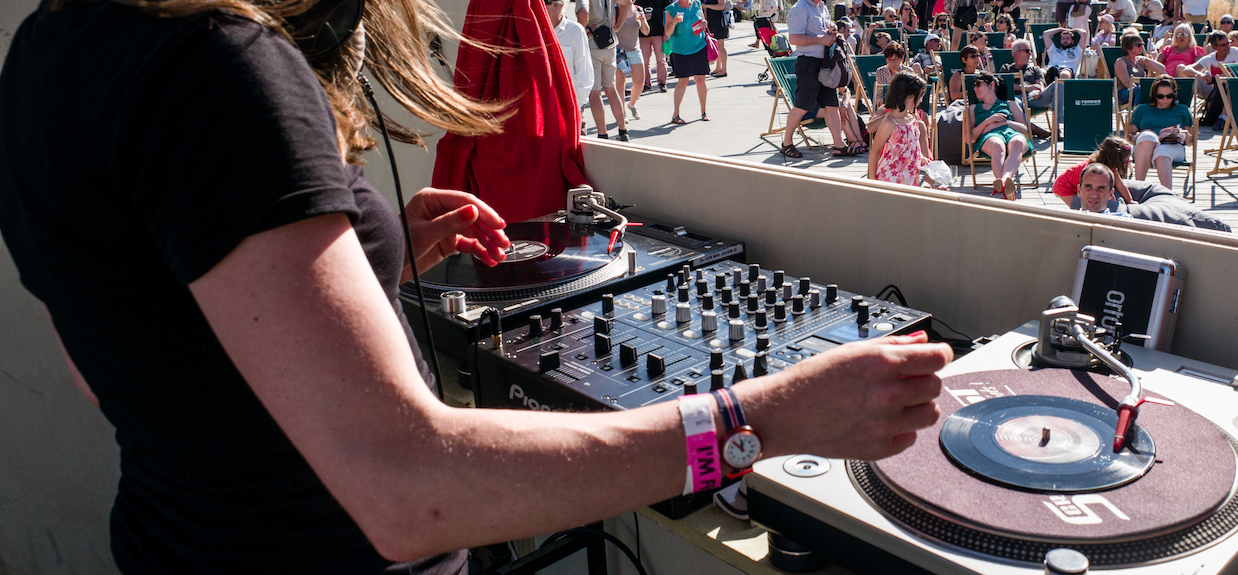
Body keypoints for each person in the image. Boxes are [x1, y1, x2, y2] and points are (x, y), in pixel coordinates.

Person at [0, 1, 958, 573]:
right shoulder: (218, 62)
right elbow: (407, 487)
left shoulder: (45, 50)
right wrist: (760, 419)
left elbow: (123, 355)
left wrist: (336, 259)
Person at [779, 0, 850, 157]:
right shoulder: (800, 8)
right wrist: (820, 39)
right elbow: (794, 38)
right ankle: (787, 143)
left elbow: (822, 28)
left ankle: (839, 144)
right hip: (808, 63)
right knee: (802, 105)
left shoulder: (821, 7)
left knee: (832, 104)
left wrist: (831, 30)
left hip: (824, 62)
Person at [965, 72, 1033, 199]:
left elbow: (1025, 130)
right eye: (974, 86)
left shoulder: (1010, 104)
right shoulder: (974, 108)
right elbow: (969, 138)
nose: (974, 89)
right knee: (997, 144)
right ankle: (1006, 184)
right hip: (989, 138)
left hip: (1011, 133)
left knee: (1017, 141)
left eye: (978, 84)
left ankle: (1003, 181)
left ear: (991, 85)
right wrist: (988, 122)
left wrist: (1005, 122)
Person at [870, 73, 939, 186]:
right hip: (890, 178)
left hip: (911, 176)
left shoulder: (912, 117)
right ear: (908, 96)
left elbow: (912, 144)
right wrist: (872, 180)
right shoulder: (890, 123)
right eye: (920, 96)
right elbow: (875, 151)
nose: (921, 100)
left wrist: (921, 157)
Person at [579, 0, 634, 141]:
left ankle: (602, 134)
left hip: (593, 42)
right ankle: (623, 131)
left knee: (595, 92)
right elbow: (627, 3)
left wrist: (581, 31)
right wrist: (617, 27)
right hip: (609, 40)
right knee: (611, 89)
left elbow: (584, 12)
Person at [1126, 75, 1193, 189]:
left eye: (1169, 96)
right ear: (1154, 95)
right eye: (1160, 96)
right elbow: (1129, 137)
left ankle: (1167, 194)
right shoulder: (1142, 109)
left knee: (1162, 150)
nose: (1165, 100)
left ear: (1174, 94)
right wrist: (1136, 137)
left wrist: (1185, 135)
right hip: (1145, 148)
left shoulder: (1183, 110)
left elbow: (1191, 142)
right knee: (1148, 136)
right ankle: (1138, 188)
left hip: (1173, 148)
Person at [665, 0, 713, 125]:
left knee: (701, 80)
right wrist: (674, 22)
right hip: (681, 50)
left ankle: (704, 111)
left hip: (699, 47)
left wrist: (704, 24)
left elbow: (702, 23)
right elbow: (668, 32)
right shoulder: (671, 9)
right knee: (683, 81)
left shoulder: (697, 4)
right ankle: (676, 114)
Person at [1052, 136, 1136, 206]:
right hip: (1064, 186)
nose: (1128, 162)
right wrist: (1114, 204)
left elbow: (1119, 184)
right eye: (1126, 161)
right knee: (1080, 207)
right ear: (1115, 160)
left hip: (1077, 183)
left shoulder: (1111, 166)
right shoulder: (1094, 171)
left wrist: (1130, 200)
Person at [999, 39, 1055, 139]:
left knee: (1057, 85)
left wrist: (1038, 91)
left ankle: (1057, 126)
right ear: (1016, 53)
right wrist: (1027, 88)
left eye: (1030, 51)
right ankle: (1030, 127)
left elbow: (1040, 84)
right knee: (1011, 103)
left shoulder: (1034, 69)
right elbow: (1005, 85)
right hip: (1015, 98)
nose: (1030, 54)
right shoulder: (1006, 68)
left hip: (1034, 98)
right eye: (1027, 51)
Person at [552, 0, 595, 115]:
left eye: (547, 1)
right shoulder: (533, 31)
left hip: (567, 107)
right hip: (541, 108)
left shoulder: (575, 31)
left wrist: (574, 106)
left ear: (559, 5)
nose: (541, 4)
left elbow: (585, 75)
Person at [1180, 31, 1238, 98]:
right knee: (1183, 70)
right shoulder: (1210, 58)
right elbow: (1186, 70)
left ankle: (1224, 111)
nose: (1228, 46)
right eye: (1223, 45)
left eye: (1228, 43)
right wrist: (1201, 75)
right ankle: (1182, 106)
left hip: (1234, 90)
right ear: (1214, 47)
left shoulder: (1237, 52)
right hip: (1215, 90)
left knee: (1229, 84)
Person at [616, 4, 651, 122]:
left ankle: (631, 104)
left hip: (635, 50)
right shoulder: (615, 9)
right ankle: (622, 113)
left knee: (640, 82)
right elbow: (613, 28)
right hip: (619, 51)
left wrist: (643, 20)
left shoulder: (638, 9)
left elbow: (646, 31)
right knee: (620, 84)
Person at [1114, 34, 1166, 106]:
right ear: (1128, 47)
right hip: (1124, 94)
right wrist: (1145, 92)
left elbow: (1162, 69)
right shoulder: (1121, 61)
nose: (1142, 47)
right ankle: (1137, 113)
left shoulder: (1140, 61)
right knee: (1141, 90)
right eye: (1138, 45)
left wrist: (1148, 60)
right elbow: (1127, 83)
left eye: (1142, 44)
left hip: (1140, 91)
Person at [636, 0, 672, 91]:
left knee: (661, 59)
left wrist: (666, 32)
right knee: (644, 60)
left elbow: (668, 11)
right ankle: (646, 83)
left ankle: (662, 82)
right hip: (642, 33)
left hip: (658, 32)